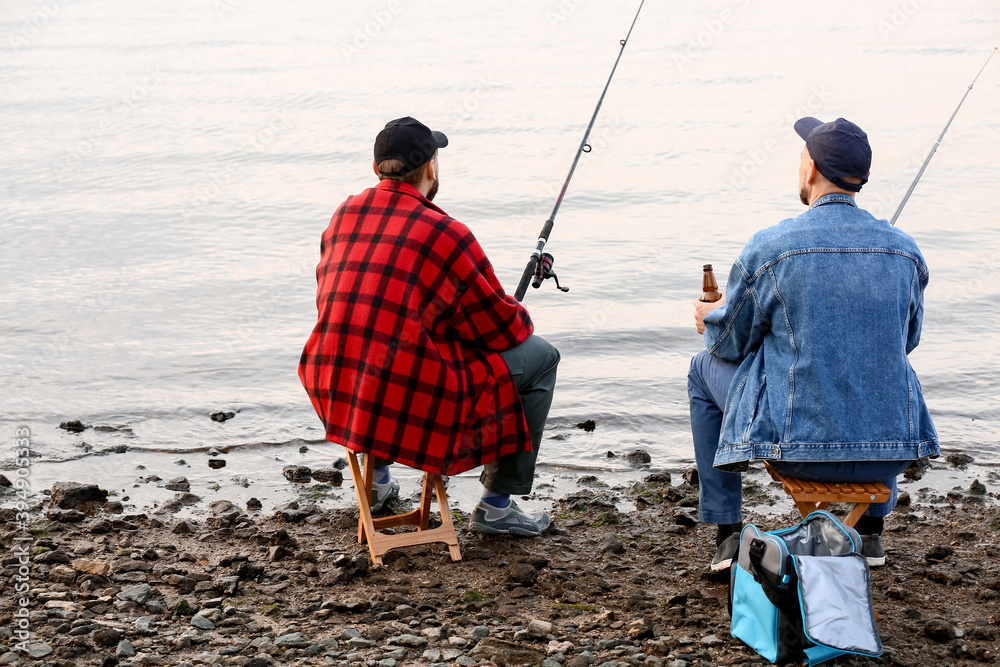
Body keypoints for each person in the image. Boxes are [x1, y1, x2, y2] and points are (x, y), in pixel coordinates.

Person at [688, 116, 939, 570]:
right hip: (888, 456)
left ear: (811, 170)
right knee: (882, 361)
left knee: (699, 369)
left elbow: (729, 344)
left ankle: (726, 533)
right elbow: (907, 342)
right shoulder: (905, 250)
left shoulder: (771, 246)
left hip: (800, 454)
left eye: (802, 156)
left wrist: (711, 318)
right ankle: (870, 533)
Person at [299, 116, 559, 537]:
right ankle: (497, 505)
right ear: (432, 168)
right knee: (543, 357)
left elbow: (341, 298)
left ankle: (378, 483)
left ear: (376, 168)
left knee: (383, 342)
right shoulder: (446, 233)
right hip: (407, 400)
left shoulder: (344, 213)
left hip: (336, 384)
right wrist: (518, 310)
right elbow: (502, 329)